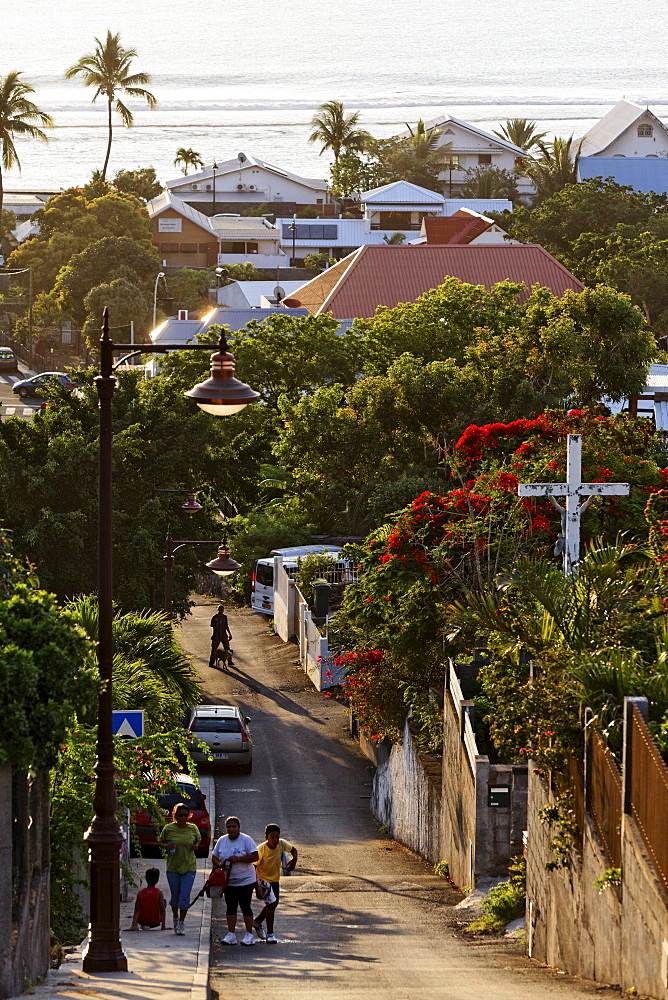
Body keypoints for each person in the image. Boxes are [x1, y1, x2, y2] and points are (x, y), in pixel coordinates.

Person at [212, 816, 259, 946]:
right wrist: (221, 863)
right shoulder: (222, 840)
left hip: (246, 880)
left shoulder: (246, 840)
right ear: (225, 828)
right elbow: (214, 857)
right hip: (229, 881)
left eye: (234, 826)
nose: (231, 829)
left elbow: (255, 856)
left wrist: (238, 859)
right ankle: (231, 934)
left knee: (245, 906)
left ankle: (249, 934)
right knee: (230, 907)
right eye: (229, 826)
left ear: (239, 828)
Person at [157, 802, 201, 935]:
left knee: (185, 896)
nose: (183, 818)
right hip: (173, 867)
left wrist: (196, 845)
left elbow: (198, 840)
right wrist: (166, 846)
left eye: (185, 815)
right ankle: (175, 917)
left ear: (189, 816)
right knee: (175, 896)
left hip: (189, 866)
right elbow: (160, 841)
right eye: (180, 815)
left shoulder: (193, 828)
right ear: (175, 816)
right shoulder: (168, 828)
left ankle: (182, 921)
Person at [253, 824, 297, 943]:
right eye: (272, 837)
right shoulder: (261, 849)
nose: (275, 840)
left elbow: (293, 850)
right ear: (266, 837)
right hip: (263, 879)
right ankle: (270, 934)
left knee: (273, 904)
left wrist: (294, 860)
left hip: (275, 880)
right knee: (271, 905)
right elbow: (253, 866)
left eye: (277, 837)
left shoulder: (282, 844)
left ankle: (257, 921)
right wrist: (256, 886)